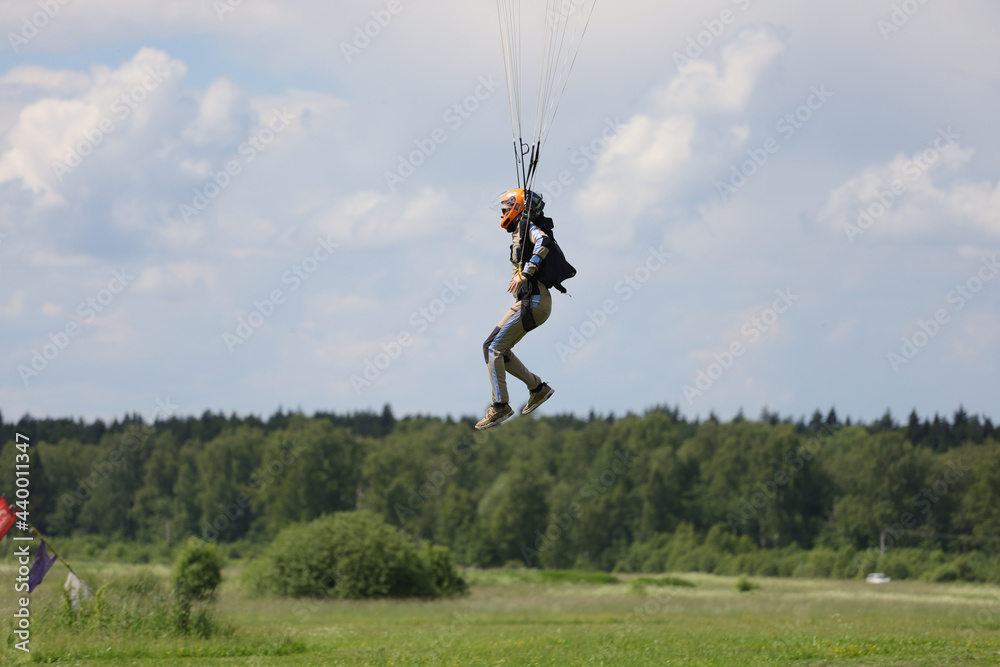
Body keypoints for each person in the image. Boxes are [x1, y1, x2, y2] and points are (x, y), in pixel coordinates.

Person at [476, 188, 556, 430]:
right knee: (500, 350)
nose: (501, 215)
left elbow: (544, 241)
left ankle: (500, 406)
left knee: (491, 348)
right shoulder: (520, 230)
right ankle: (537, 388)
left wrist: (526, 272)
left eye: (504, 209)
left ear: (517, 207)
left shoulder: (528, 227)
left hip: (533, 300)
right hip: (532, 302)